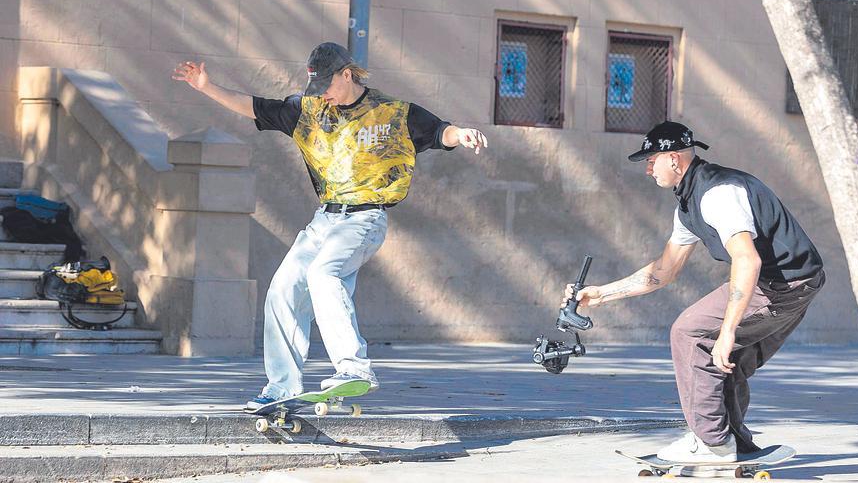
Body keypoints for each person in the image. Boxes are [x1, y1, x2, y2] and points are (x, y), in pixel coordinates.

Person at [173, 42, 487, 413]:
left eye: (329, 85)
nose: (324, 94)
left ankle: (354, 368)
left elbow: (438, 132)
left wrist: (462, 134)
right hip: (325, 219)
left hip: (365, 217)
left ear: (347, 74)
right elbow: (255, 107)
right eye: (317, 87)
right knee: (283, 287)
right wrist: (206, 86)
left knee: (324, 273)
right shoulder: (307, 111)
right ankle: (282, 386)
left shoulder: (392, 112)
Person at [564, 121, 824, 469]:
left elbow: (747, 259)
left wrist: (728, 330)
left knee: (688, 331)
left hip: (778, 285)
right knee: (726, 363)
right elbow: (664, 271)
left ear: (674, 159)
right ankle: (733, 442)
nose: (647, 168)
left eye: (651, 159)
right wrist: (601, 295)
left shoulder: (718, 193)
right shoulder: (689, 204)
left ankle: (711, 442)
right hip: (795, 282)